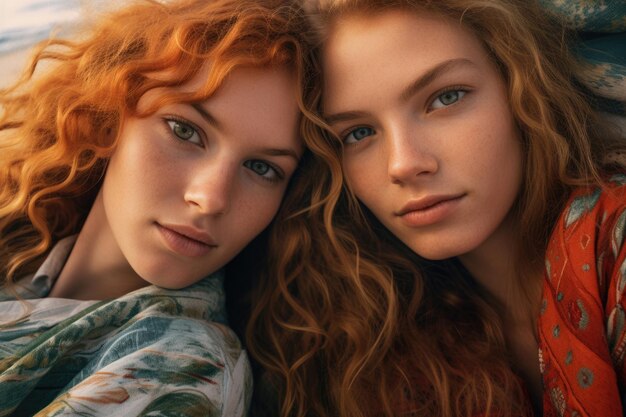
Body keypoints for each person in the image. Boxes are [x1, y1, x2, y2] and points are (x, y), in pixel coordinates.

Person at [247, 0, 626, 416]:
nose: (404, 164)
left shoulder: (615, 242)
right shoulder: (376, 351)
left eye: (446, 98)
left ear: (522, 87)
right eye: (358, 133)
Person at [0, 0, 324, 415]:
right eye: (185, 131)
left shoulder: (182, 370)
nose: (210, 199)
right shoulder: (20, 247)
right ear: (109, 116)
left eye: (261, 168)